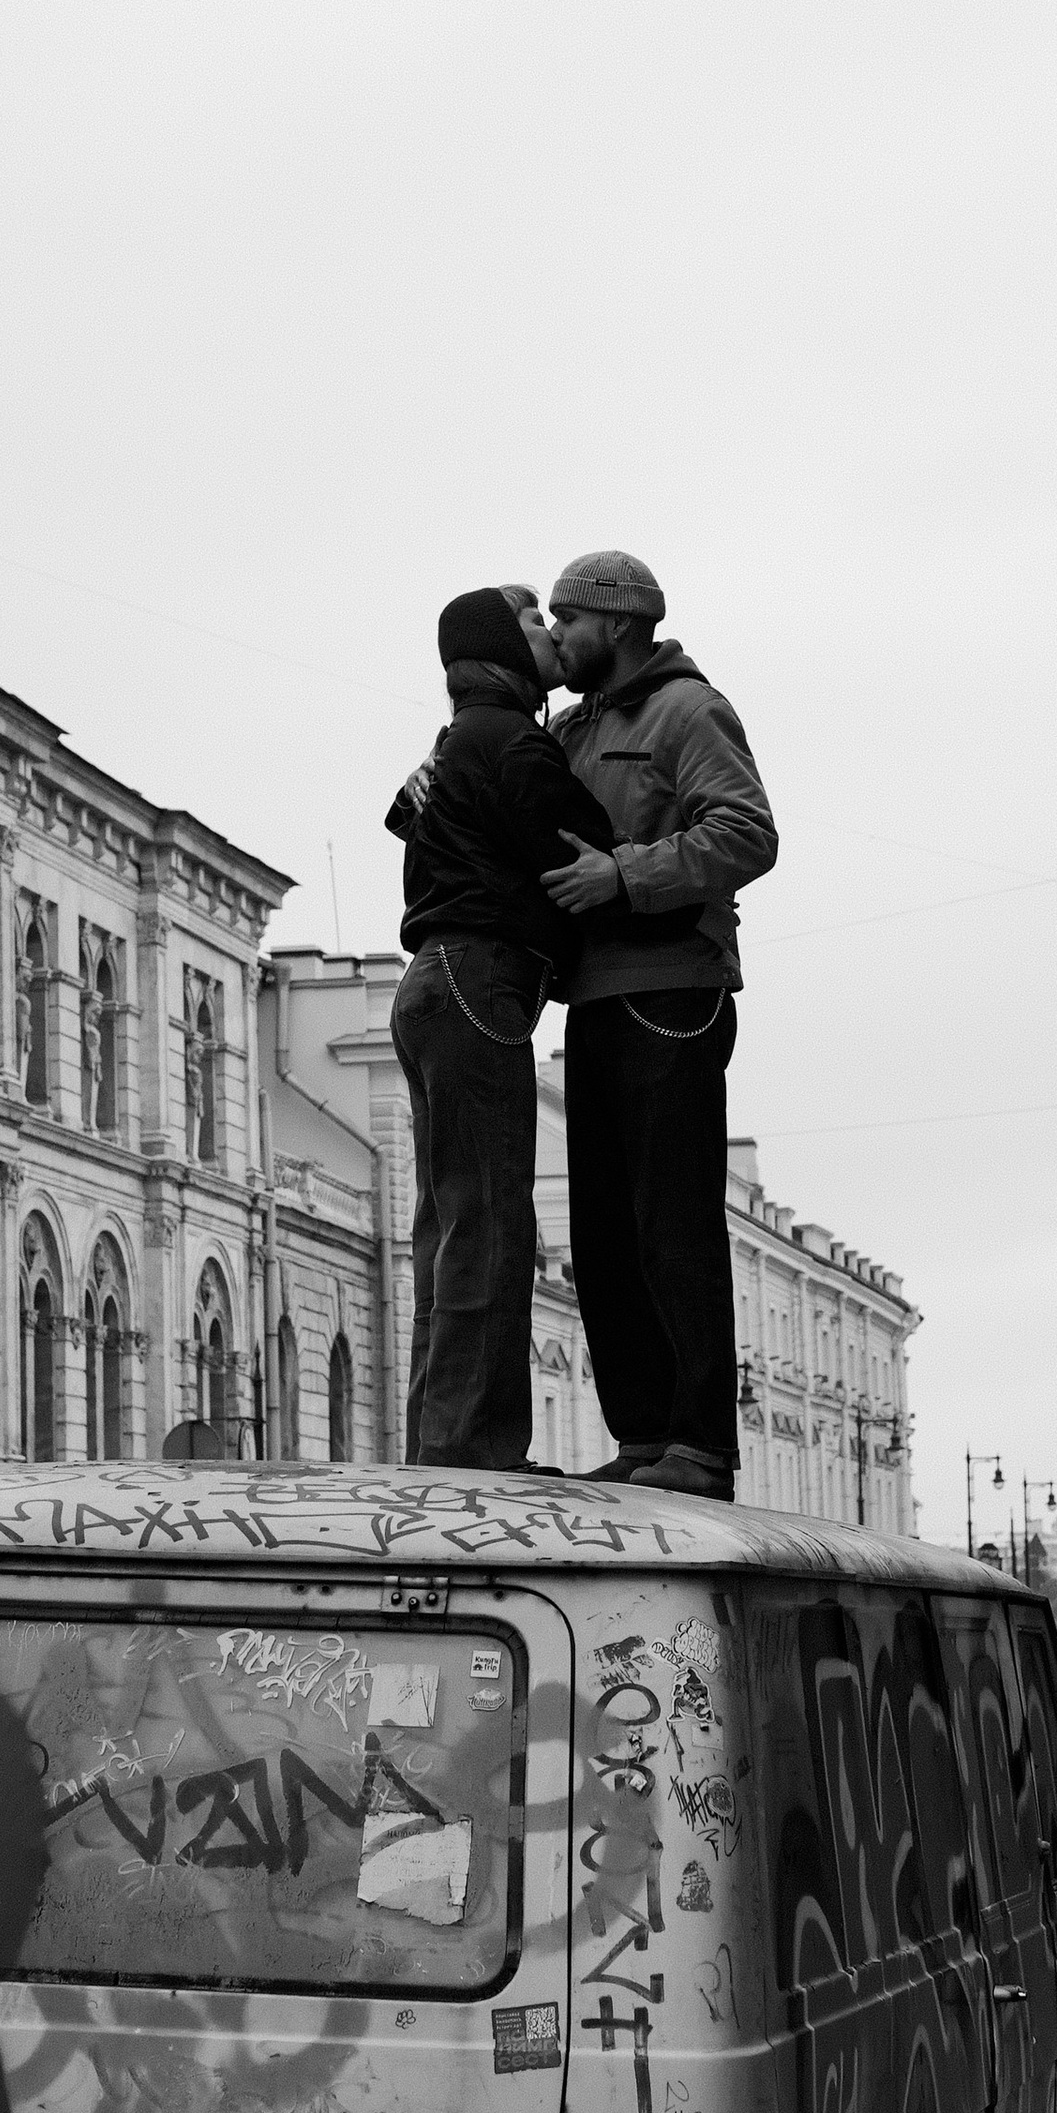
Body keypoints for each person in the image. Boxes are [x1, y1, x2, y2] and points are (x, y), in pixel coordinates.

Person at [541, 550, 778, 1498]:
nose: (558, 636)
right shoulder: (570, 727)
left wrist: (624, 875)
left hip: (673, 991)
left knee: (671, 1224)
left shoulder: (689, 711)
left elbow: (747, 833)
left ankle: (700, 1447)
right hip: (593, 997)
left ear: (618, 622)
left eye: (568, 620)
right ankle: (644, 1434)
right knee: (603, 1234)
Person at [383, 586, 624, 1467]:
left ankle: (441, 1440)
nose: (550, 632)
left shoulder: (455, 742)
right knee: (490, 1223)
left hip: (431, 984)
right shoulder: (510, 739)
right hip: (480, 977)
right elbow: (587, 846)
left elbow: (405, 817)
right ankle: (477, 1452)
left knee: (448, 1226)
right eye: (532, 621)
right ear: (499, 646)